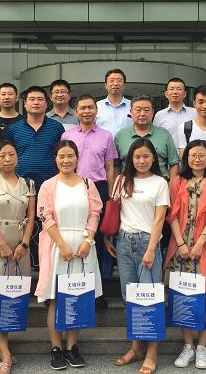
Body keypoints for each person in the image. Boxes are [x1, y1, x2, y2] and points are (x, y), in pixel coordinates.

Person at [34, 140, 103, 370]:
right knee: (56, 297)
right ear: (55, 159)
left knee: (77, 295)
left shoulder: (87, 184)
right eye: (61, 156)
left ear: (77, 158)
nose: (66, 160)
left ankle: (72, 347)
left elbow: (94, 213)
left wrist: (88, 240)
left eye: (70, 156)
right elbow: (46, 217)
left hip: (83, 247)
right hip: (57, 246)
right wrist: (62, 245)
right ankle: (56, 348)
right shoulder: (48, 186)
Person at [164, 140, 206, 370]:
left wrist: (200, 243)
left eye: (202, 155)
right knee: (183, 295)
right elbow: (171, 215)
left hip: (204, 246)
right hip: (179, 246)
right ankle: (188, 345)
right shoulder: (177, 181)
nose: (197, 159)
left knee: (204, 297)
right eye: (193, 155)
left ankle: (202, 346)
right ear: (186, 158)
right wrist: (180, 243)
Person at [0, 140, 35, 373]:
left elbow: (31, 217)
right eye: (2, 155)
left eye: (11, 154)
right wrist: (2, 244)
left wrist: (24, 244)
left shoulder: (28, 184)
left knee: (14, 295)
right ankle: (6, 354)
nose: (8, 159)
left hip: (20, 246)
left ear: (17, 157)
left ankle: (0, 346)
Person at [113, 138, 169, 374]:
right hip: (124, 242)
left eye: (146, 156)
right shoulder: (122, 180)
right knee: (130, 297)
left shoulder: (160, 183)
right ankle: (135, 347)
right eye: (137, 157)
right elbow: (115, 211)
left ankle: (151, 353)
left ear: (153, 158)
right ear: (130, 159)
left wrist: (151, 249)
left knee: (150, 297)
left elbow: (160, 218)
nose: (141, 161)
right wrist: (109, 238)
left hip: (148, 242)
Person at [62, 94, 118, 307]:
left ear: (96, 110)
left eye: (90, 107)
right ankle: (73, 285)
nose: (86, 111)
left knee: (99, 240)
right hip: (73, 188)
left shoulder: (106, 136)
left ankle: (98, 290)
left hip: (99, 189)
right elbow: (63, 163)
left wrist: (110, 196)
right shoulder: (67, 135)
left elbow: (110, 168)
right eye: (82, 108)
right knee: (77, 235)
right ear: (76, 112)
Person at [6, 86, 65, 192]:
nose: (36, 102)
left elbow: (62, 154)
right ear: (25, 103)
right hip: (20, 184)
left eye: (40, 99)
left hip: (51, 184)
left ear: (46, 104)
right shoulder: (14, 129)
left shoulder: (57, 127)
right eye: (32, 99)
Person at [114, 94, 180, 180]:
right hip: (128, 184)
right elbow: (115, 165)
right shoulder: (120, 136)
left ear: (153, 112)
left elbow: (174, 163)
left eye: (146, 110)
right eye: (138, 110)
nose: (142, 114)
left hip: (159, 185)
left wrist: (171, 186)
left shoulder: (164, 134)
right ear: (131, 112)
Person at [152, 77, 197, 147]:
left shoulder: (194, 113)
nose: (175, 92)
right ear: (166, 94)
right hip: (167, 153)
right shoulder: (159, 115)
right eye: (171, 89)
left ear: (185, 94)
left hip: (190, 153)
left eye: (179, 89)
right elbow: (156, 137)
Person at [96, 69, 132, 136]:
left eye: (119, 81)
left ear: (124, 85)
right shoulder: (96, 106)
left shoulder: (133, 106)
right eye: (111, 81)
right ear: (106, 85)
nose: (115, 84)